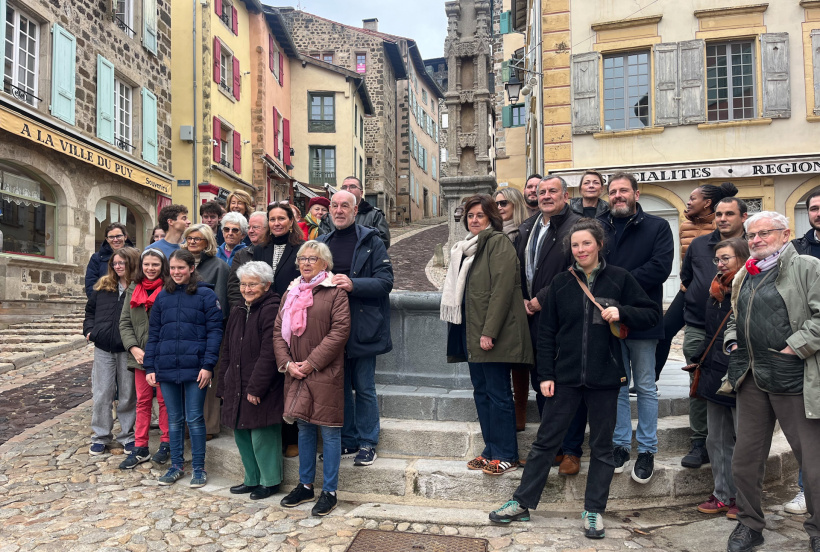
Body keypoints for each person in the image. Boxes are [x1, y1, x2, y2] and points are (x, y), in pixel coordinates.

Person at [489, 219, 660, 539]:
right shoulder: (561, 284)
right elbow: (548, 333)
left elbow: (651, 313)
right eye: (575, 245)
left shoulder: (620, 279)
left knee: (602, 447)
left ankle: (594, 510)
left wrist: (622, 312)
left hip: (606, 378)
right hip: (564, 378)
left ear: (599, 245)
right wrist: (546, 375)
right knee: (544, 442)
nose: (580, 250)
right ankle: (521, 503)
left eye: (586, 244)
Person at [722, 211, 820, 552]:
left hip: (795, 375)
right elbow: (735, 316)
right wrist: (732, 341)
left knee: (813, 461)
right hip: (751, 376)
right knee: (745, 459)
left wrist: (794, 347)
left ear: (785, 234)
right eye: (752, 235)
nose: (757, 240)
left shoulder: (808, 267)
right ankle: (749, 525)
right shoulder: (744, 275)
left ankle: (818, 529)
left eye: (766, 233)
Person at [441, 194, 533, 475]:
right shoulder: (465, 249)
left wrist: (489, 332)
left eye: (480, 215)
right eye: (470, 216)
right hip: (470, 330)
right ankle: (490, 449)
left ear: (492, 218)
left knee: (498, 393)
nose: (474, 220)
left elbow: (502, 291)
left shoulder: (497, 243)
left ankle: (507, 453)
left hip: (493, 333)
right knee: (481, 392)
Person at [598, 172, 673, 484]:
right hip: (609, 319)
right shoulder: (599, 226)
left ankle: (646, 450)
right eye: (613, 191)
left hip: (642, 318)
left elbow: (660, 268)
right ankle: (619, 445)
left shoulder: (658, 227)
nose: (617, 195)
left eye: (623, 191)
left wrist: (620, 286)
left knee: (644, 387)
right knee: (616, 386)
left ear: (636, 194)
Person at [274, 240, 350, 516]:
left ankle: (329, 492)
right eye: (303, 258)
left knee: (329, 431)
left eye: (313, 259)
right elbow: (277, 332)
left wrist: (312, 363)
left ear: (324, 264)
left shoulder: (335, 293)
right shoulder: (291, 291)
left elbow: (339, 332)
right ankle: (305, 485)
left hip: (324, 371)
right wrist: (286, 363)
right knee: (304, 428)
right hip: (295, 371)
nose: (306, 263)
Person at [317, 190, 393, 466]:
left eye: (344, 206)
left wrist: (353, 284)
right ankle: (347, 440)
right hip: (330, 328)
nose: (339, 210)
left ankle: (367, 442)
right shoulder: (321, 242)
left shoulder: (371, 240)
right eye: (334, 206)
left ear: (355, 209)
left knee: (363, 386)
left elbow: (386, 282)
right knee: (338, 387)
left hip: (362, 326)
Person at [672, 185, 742, 469]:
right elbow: (686, 277)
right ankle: (700, 442)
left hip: (741, 328)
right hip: (700, 326)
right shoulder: (700, 245)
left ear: (743, 217)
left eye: (730, 214)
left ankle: (738, 441)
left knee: (740, 382)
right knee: (699, 383)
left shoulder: (751, 246)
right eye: (720, 213)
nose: (723, 218)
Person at [143, 249, 224, 488]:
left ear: (191, 269)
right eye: (173, 268)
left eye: (181, 268)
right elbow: (154, 333)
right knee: (175, 419)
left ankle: (199, 468)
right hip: (167, 366)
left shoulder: (206, 296)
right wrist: (150, 365)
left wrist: (208, 365)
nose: (177, 272)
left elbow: (215, 332)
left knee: (195, 418)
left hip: (196, 367)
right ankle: (176, 465)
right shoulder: (162, 297)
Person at [655, 183, 739, 392]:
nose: (689, 202)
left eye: (693, 198)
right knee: (664, 330)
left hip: (721, 293)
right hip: (691, 288)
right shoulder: (685, 226)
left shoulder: (724, 227)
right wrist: (688, 283)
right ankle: (651, 379)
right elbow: (688, 261)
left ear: (707, 203)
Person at [693, 237, 750, 520]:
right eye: (718, 259)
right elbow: (710, 331)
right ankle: (722, 494)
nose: (720, 264)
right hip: (715, 372)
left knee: (745, 439)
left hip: (742, 373)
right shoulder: (715, 291)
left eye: (726, 258)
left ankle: (744, 498)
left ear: (741, 258)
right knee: (716, 438)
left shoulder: (750, 287)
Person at [217, 261, 284, 500]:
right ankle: (251, 478)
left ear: (266, 285)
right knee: (241, 432)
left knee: (261, 434)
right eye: (243, 284)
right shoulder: (237, 309)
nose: (247, 289)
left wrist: (257, 386)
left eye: (252, 284)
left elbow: (270, 352)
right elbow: (227, 350)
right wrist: (223, 384)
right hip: (236, 380)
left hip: (261, 384)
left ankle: (269, 481)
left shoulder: (271, 308)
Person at [516, 176, 580, 422]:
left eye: (552, 191)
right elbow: (519, 268)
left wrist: (541, 298)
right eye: (542, 192)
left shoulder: (576, 225)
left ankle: (566, 447)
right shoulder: (528, 226)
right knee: (541, 379)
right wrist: (522, 298)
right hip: (533, 317)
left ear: (565, 196)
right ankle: (550, 441)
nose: (546, 196)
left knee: (562, 382)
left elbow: (575, 270)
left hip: (561, 315)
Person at [83, 246, 141, 455]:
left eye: (122, 263)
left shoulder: (139, 288)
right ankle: (101, 435)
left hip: (128, 349)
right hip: (103, 348)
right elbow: (90, 312)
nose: (117, 266)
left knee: (127, 394)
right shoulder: (103, 286)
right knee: (102, 393)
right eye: (114, 263)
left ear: (131, 263)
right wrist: (90, 331)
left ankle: (127, 435)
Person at [118, 248, 172, 469]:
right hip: (139, 357)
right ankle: (140, 447)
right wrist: (133, 348)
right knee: (142, 401)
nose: (150, 268)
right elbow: (124, 323)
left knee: (164, 401)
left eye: (155, 265)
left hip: (162, 356)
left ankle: (166, 444)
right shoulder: (134, 288)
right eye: (147, 264)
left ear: (163, 267)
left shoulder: (169, 289)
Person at [784, 191, 820, 516]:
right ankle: (805, 491)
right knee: (810, 424)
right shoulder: (797, 249)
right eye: (813, 208)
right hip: (810, 346)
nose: (818, 213)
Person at [181, 224, 230, 439]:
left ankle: (209, 426)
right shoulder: (178, 262)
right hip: (182, 331)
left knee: (208, 381)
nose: (192, 242)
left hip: (209, 332)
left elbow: (220, 304)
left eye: (198, 239)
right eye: (190, 238)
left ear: (208, 242)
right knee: (185, 379)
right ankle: (185, 424)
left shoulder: (219, 266)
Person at [494, 186, 529, 430]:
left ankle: (519, 413)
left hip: (520, 302)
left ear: (516, 205)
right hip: (497, 301)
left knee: (519, 362)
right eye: (496, 204)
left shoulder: (523, 233)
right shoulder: (492, 233)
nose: (499, 208)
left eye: (504, 203)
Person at [319, 176, 391, 249]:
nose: (348, 190)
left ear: (361, 192)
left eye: (352, 187)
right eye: (344, 187)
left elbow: (383, 242)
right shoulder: (328, 218)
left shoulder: (375, 215)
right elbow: (322, 245)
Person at [227, 211, 270, 307]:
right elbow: (233, 288)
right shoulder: (241, 255)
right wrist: (239, 311)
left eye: (255, 227)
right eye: (248, 227)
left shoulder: (273, 253)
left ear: (267, 229)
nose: (250, 231)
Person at [85, 223, 135, 297]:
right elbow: (91, 285)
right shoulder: (97, 258)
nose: (115, 240)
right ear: (107, 239)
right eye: (111, 237)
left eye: (118, 236)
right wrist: (98, 303)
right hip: (105, 304)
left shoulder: (135, 256)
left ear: (125, 237)